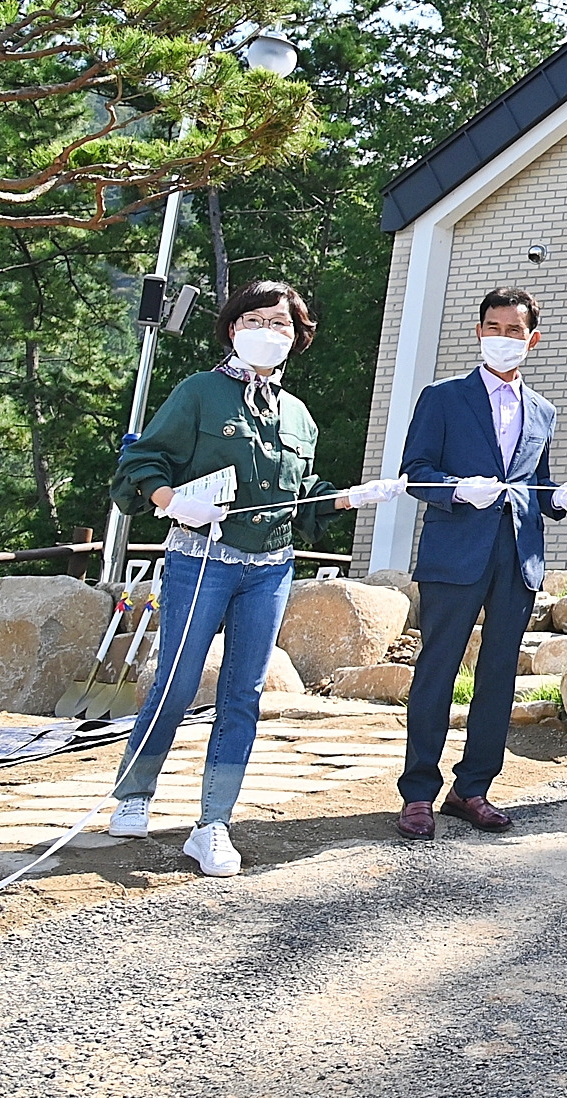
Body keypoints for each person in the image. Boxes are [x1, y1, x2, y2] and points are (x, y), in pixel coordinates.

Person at [107, 282, 404, 875]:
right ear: (233, 328)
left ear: (297, 337)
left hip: (269, 568)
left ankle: (213, 822)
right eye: (257, 319)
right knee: (178, 681)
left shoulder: (297, 414)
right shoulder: (199, 393)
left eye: (284, 323)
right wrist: (171, 501)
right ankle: (134, 793)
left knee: (244, 694)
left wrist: (350, 498)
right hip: (201, 558)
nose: (271, 330)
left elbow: (299, 495)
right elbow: (141, 462)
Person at [396, 288, 567, 840]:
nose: (501, 338)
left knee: (499, 676)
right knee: (436, 671)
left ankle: (473, 787)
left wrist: (557, 499)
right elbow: (417, 472)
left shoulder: (543, 410)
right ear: (479, 331)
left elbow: (536, 482)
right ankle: (417, 793)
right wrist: (459, 489)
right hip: (454, 553)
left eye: (512, 330)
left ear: (533, 339)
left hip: (518, 557)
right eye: (491, 327)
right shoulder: (443, 397)